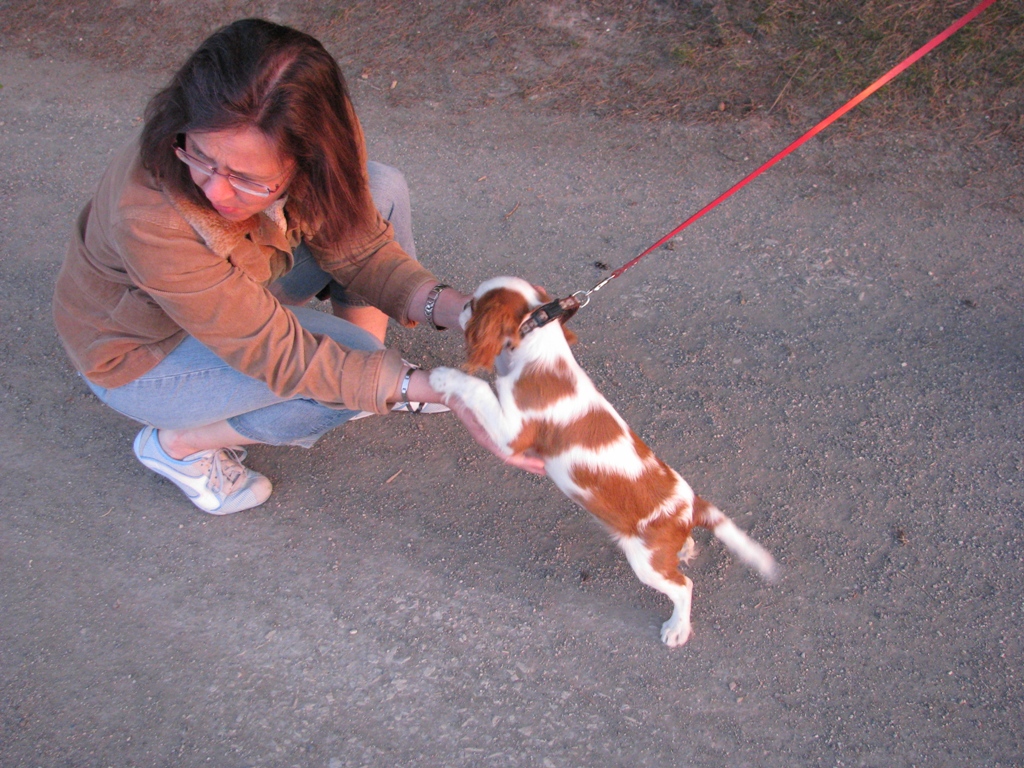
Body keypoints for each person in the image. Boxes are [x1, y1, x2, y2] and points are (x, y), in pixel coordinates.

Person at [52, 18, 543, 516]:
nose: (214, 189)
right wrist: (448, 390)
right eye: (198, 154)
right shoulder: (150, 218)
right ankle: (179, 445)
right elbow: (282, 356)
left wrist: (466, 311)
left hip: (240, 277)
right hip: (144, 348)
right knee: (337, 375)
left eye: (247, 178)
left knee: (380, 190)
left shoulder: (321, 125)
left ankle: (373, 377)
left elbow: (360, 247)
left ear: (309, 152)